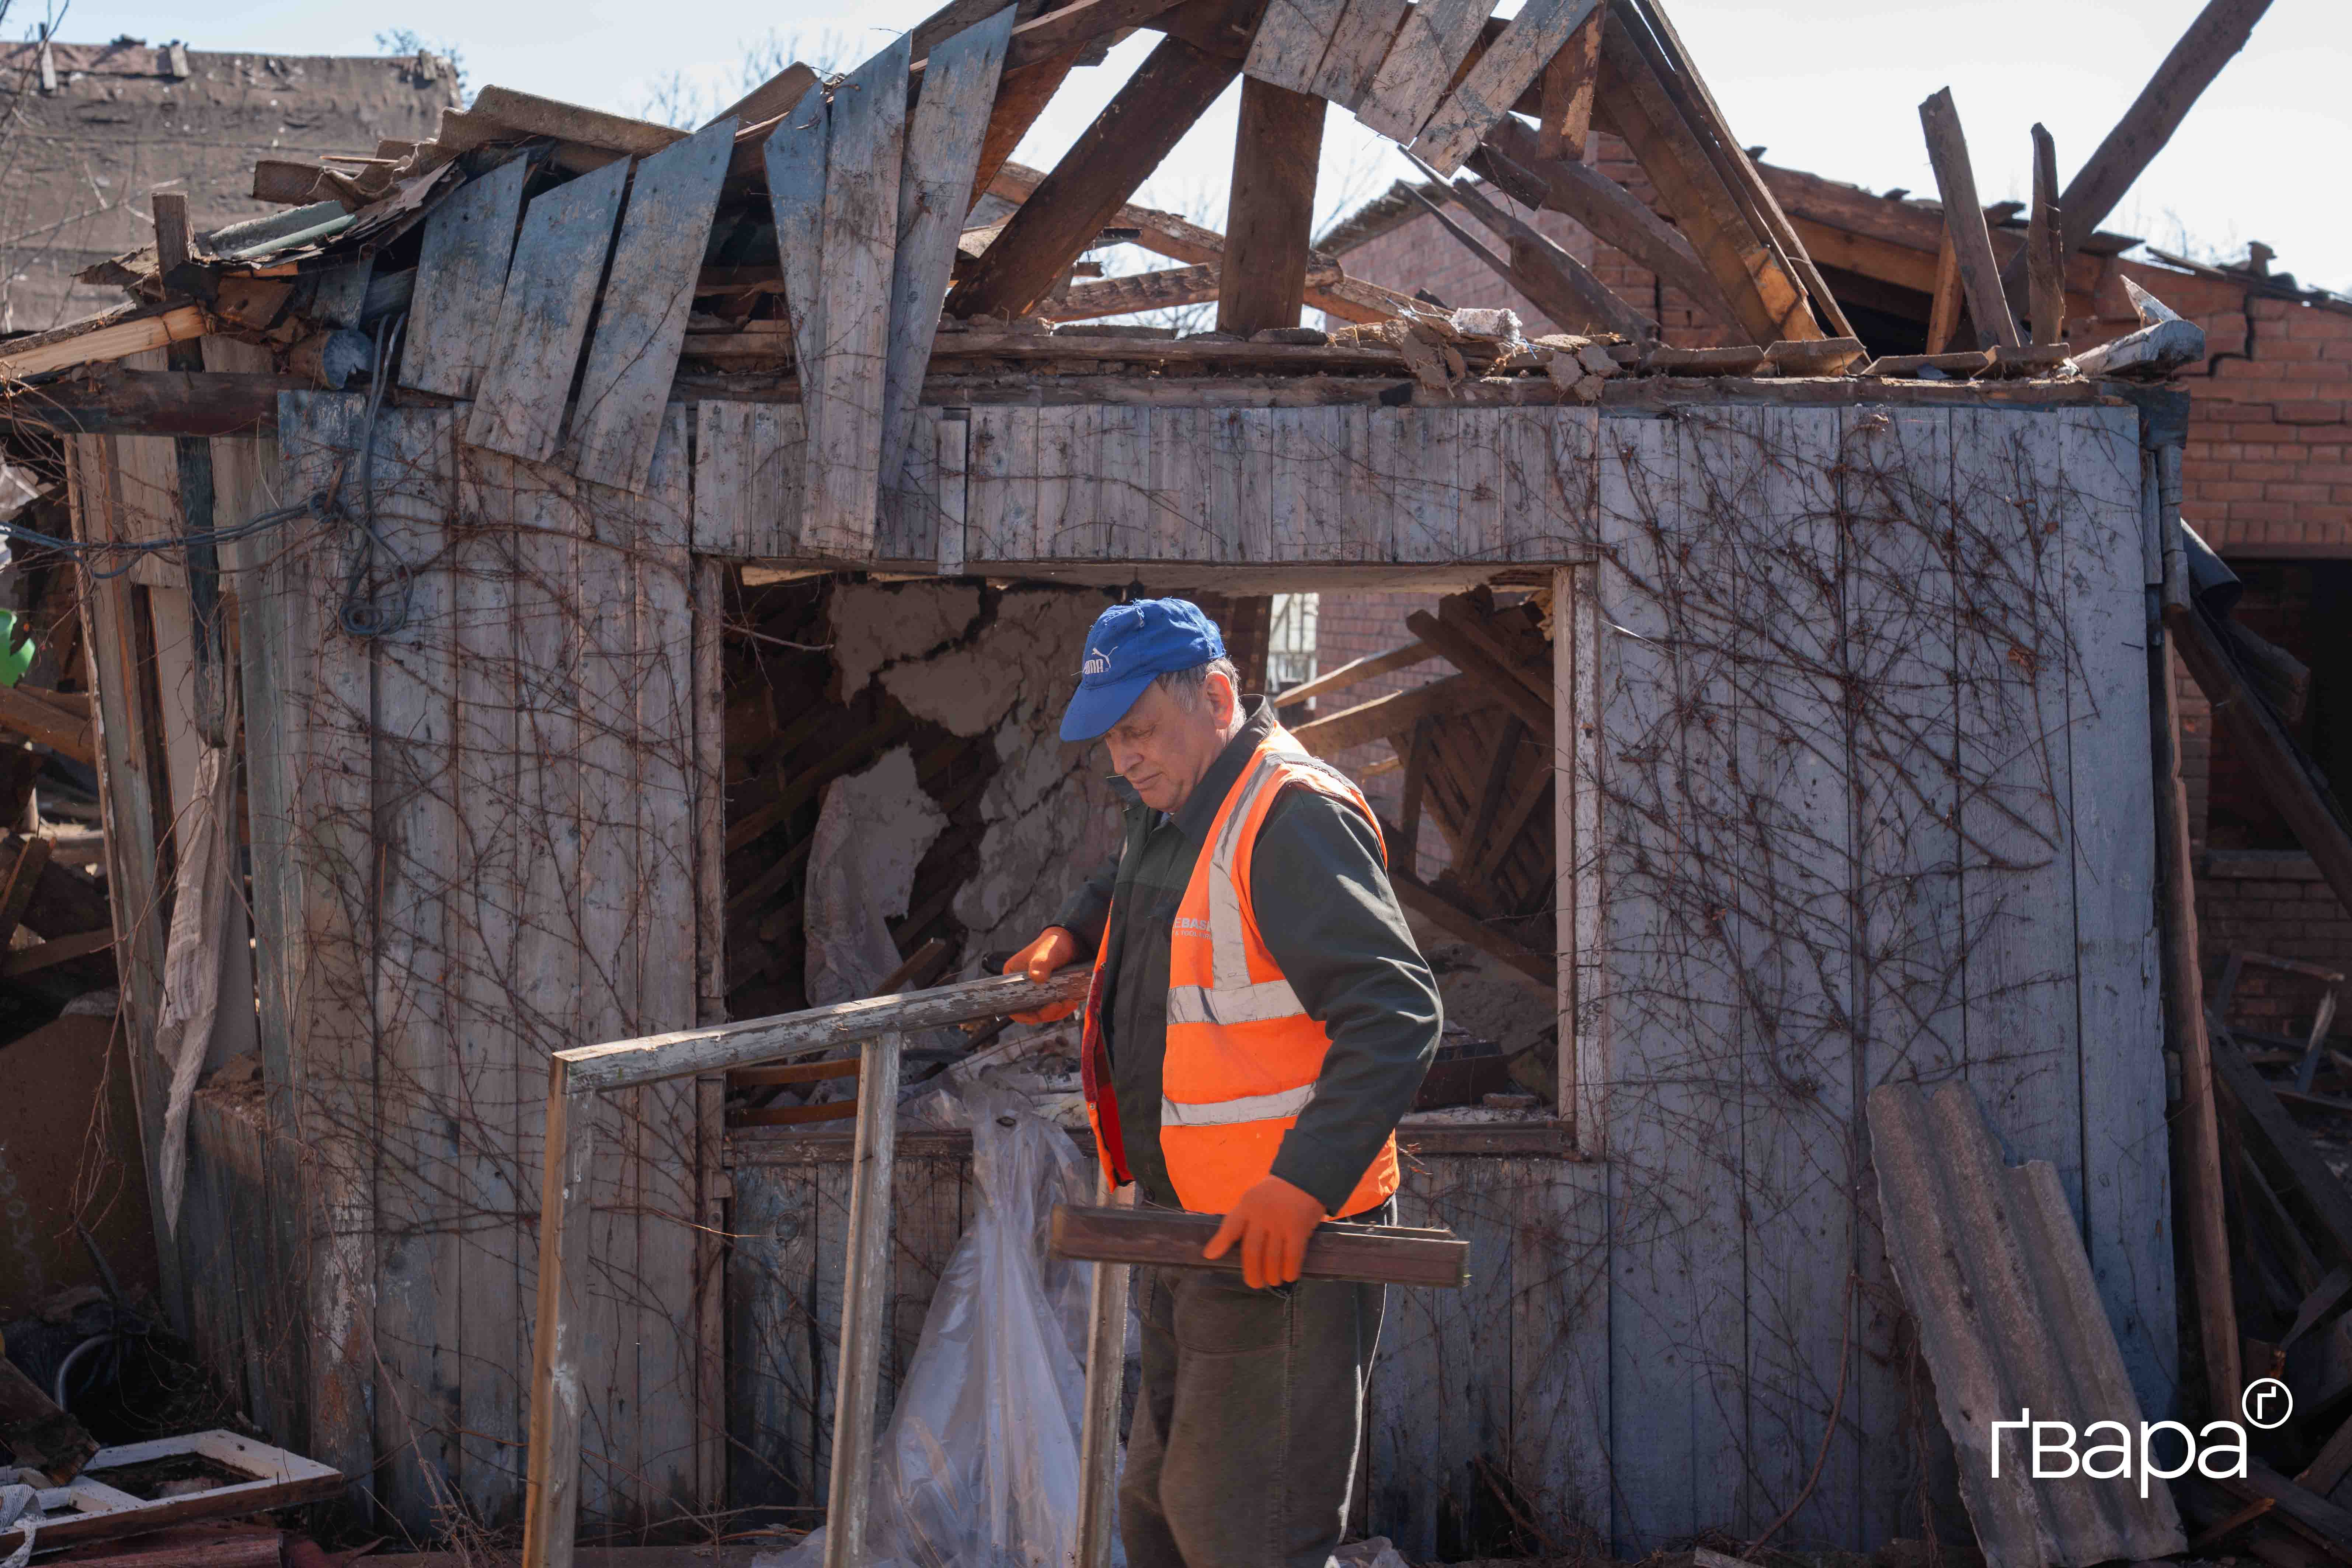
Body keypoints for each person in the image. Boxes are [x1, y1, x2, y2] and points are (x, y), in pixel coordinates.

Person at [1005, 597, 1441, 1568]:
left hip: (1278, 1239)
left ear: (1214, 695)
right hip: (1193, 1227)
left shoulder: (1288, 815)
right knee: (1161, 1513)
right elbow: (1138, 882)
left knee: (1243, 1532)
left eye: (1139, 732)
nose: (1124, 759)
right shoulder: (1178, 805)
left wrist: (1303, 1184)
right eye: (1112, 740)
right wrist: (1074, 934)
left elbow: (1397, 1014)